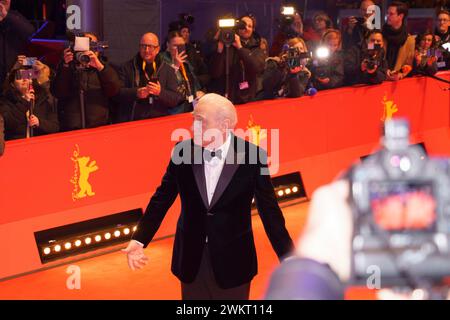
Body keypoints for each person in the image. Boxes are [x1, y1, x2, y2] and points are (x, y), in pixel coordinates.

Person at [123, 93, 294, 300]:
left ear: (224, 125)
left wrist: (288, 258)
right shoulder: (182, 151)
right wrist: (139, 239)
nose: (193, 126)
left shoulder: (253, 157)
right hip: (191, 259)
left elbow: (270, 211)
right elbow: (162, 198)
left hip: (234, 260)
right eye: (193, 119)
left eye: (200, 121)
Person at [51, 32, 121, 131]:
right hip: (71, 129)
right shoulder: (67, 66)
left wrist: (99, 67)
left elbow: (114, 91)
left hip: (98, 127)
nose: (88, 50)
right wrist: (65, 66)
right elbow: (58, 92)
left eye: (92, 46)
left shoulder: (103, 67)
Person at [113, 32, 184, 122]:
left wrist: (160, 92)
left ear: (157, 49)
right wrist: (136, 93)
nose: (146, 50)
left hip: (158, 122)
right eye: (143, 46)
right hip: (132, 122)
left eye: (150, 46)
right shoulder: (127, 67)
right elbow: (117, 94)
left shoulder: (167, 70)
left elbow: (175, 99)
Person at [209, 15, 266, 104]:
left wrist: (240, 48)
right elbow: (215, 73)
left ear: (253, 29)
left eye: (250, 26)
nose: (246, 28)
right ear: (237, 28)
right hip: (227, 97)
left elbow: (257, 68)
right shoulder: (227, 47)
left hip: (249, 97)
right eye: (243, 25)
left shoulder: (256, 47)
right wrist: (219, 50)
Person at [0, 66, 59, 140]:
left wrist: (39, 123)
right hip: (17, 145)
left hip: (39, 144)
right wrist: (24, 102)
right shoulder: (5, 101)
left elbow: (55, 127)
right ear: (12, 84)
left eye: (27, 76)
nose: (24, 79)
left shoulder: (42, 99)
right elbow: (9, 124)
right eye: (19, 77)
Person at [159, 31, 204, 114]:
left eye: (181, 46)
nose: (178, 49)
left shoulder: (186, 61)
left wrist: (198, 94)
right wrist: (175, 65)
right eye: (175, 45)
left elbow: (193, 83)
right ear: (168, 45)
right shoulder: (160, 60)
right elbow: (164, 84)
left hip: (190, 106)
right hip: (172, 110)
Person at [0, 0, 34, 93]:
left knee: (37, 73)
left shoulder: (15, 16)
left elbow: (30, 32)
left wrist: (6, 16)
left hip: (15, 76)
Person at [382, 1, 415, 81]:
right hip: (381, 79)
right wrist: (384, 70)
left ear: (400, 16)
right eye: (387, 13)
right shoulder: (380, 36)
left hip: (397, 83)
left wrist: (400, 74)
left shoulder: (409, 40)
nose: (387, 16)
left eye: (391, 14)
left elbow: (408, 64)